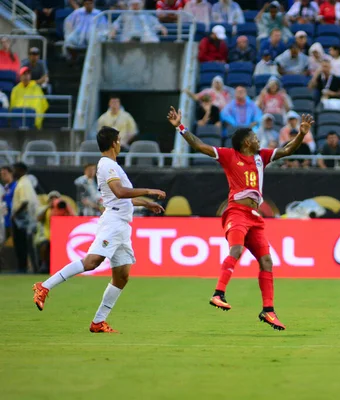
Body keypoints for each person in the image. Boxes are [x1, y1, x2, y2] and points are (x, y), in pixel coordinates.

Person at [170, 107, 316, 330]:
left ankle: (268, 311)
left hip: (255, 217)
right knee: (236, 249)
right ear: (246, 142)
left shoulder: (262, 157)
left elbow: (287, 150)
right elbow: (200, 146)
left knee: (267, 261)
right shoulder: (230, 156)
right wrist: (181, 127)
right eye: (254, 137)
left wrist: (301, 134)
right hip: (237, 212)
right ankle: (218, 293)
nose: (258, 140)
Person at [32, 127, 165, 332]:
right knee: (92, 261)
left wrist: (146, 203)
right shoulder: (107, 165)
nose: (120, 144)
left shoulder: (111, 165)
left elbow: (120, 198)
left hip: (122, 225)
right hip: (113, 223)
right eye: (119, 140)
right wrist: (149, 191)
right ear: (113, 143)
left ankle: (98, 322)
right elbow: (120, 192)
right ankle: (44, 287)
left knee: (122, 276)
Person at [35, 191, 76, 274]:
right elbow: (38, 218)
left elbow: (74, 217)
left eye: (56, 198)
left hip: (62, 235)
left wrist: (67, 207)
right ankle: (44, 264)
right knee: (45, 245)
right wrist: (48, 207)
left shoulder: (63, 207)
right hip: (47, 235)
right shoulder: (45, 209)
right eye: (52, 199)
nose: (54, 200)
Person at [11, 162, 39, 273]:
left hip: (22, 219)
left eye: (15, 169)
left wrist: (15, 214)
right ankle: (27, 267)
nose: (13, 172)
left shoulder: (23, 183)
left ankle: (22, 268)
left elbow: (25, 202)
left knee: (21, 244)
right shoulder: (24, 182)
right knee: (25, 244)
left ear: (21, 170)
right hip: (25, 219)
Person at [1, 166, 16, 240]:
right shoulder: (5, 187)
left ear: (11, 173)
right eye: (1, 174)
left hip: (13, 220)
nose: (2, 176)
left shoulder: (16, 186)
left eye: (5, 174)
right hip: (4, 220)